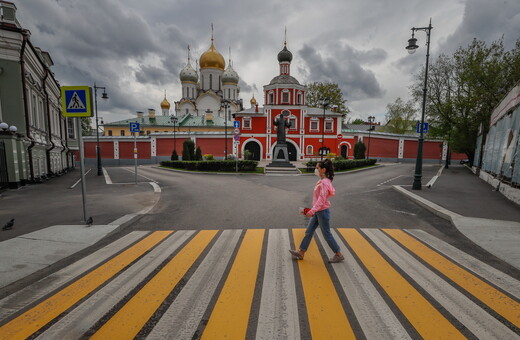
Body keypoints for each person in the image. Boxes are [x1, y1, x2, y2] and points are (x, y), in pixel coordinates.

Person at [289, 159, 345, 263]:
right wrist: (314, 210)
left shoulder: (324, 182)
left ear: (323, 170)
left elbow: (322, 199)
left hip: (322, 212)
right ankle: (301, 252)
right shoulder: (323, 181)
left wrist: (312, 210)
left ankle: (338, 254)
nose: (316, 169)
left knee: (327, 234)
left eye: (317, 168)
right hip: (319, 211)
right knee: (309, 231)